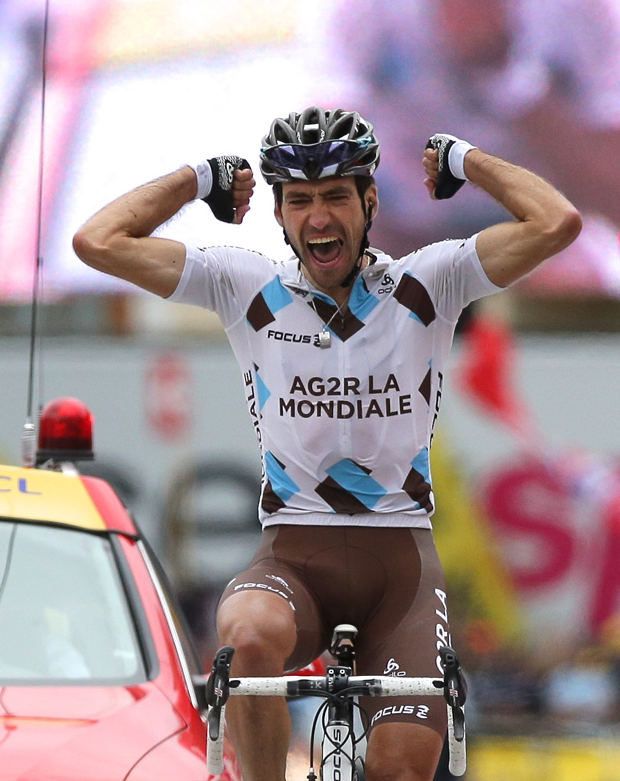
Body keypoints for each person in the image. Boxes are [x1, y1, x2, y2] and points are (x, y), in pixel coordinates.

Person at [72, 106, 580, 781]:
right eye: (300, 200)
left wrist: (462, 159)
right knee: (246, 636)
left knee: (398, 772)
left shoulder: (430, 282)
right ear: (278, 215)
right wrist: (201, 178)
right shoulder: (243, 285)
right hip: (294, 557)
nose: (318, 217)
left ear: (370, 201)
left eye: (336, 196)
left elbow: (557, 224)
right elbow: (97, 241)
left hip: (398, 570)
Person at [313, 0, 620, 294]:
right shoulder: (363, 0)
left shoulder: (583, 0)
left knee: (573, 282)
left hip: (536, 245)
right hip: (399, 237)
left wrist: (510, 82)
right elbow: (319, 168)